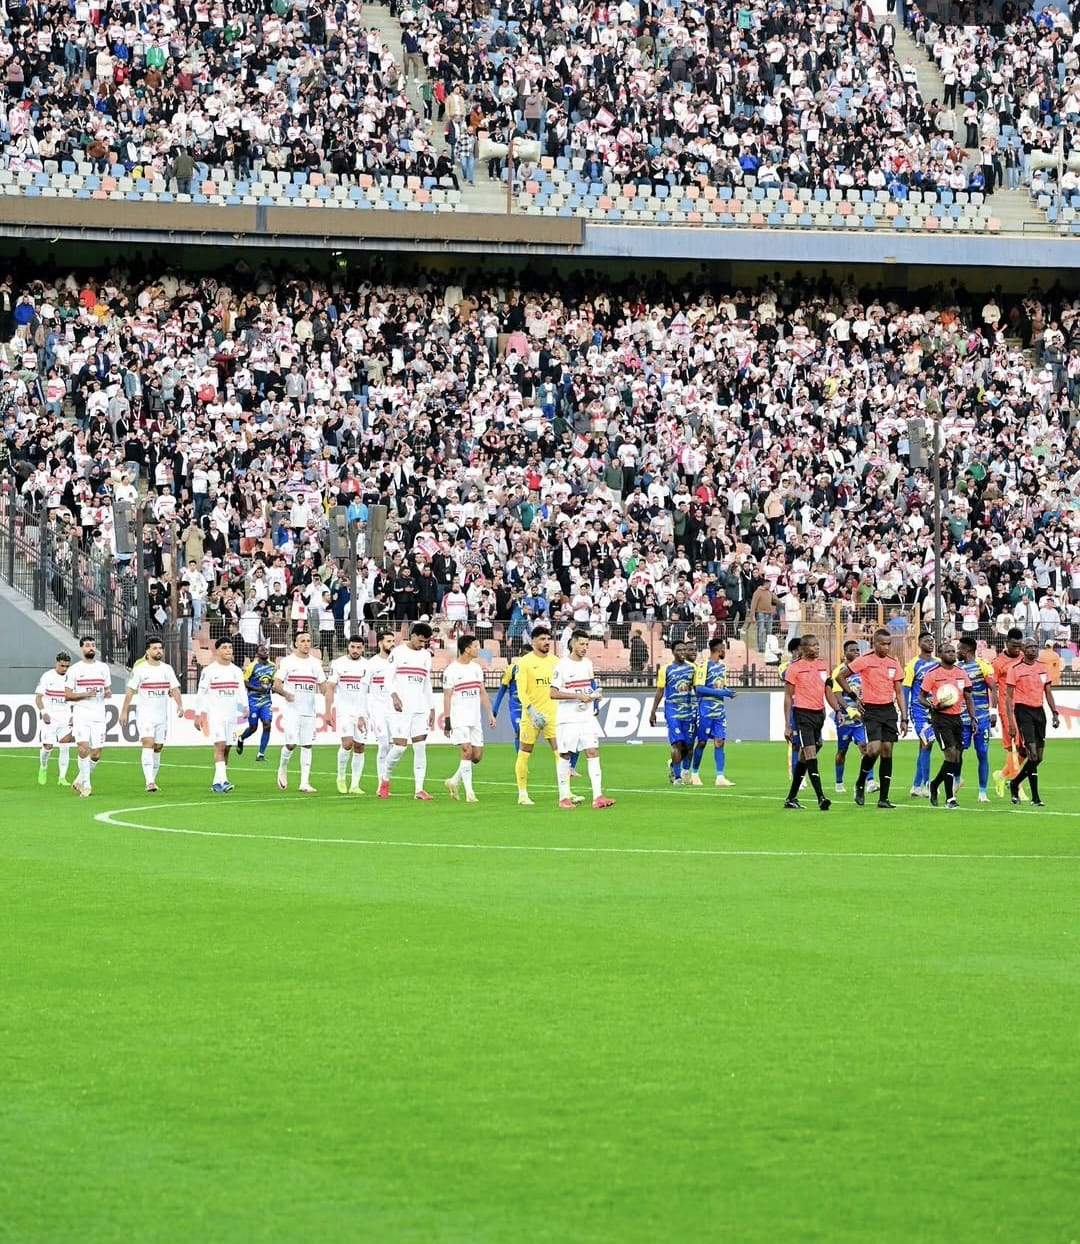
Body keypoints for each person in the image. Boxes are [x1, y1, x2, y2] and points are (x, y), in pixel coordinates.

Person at [835, 628, 908, 808]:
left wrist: (904, 718)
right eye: (883, 644)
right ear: (874, 644)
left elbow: (899, 692)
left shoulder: (893, 663)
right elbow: (840, 677)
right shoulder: (865, 660)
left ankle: (883, 798)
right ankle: (860, 783)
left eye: (889, 644)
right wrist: (854, 697)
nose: (886, 647)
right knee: (874, 749)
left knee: (887, 750)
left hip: (889, 710)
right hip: (871, 710)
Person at [550, 629, 614, 809]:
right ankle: (563, 797)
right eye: (581, 644)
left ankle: (598, 796)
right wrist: (577, 696)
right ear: (572, 644)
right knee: (565, 755)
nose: (585, 647)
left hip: (586, 717)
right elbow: (552, 693)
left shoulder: (587, 663)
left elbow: (589, 686)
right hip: (568, 718)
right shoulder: (562, 666)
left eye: (587, 644)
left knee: (593, 752)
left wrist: (594, 696)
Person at [782, 634, 842, 810]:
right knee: (810, 754)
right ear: (803, 648)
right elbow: (788, 696)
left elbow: (828, 691)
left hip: (819, 715)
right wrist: (787, 724)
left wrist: (837, 709)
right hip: (802, 714)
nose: (817, 648)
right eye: (813, 645)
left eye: (817, 645)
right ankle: (821, 798)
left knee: (808, 754)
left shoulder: (823, 665)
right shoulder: (794, 668)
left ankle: (791, 798)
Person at [119, 637, 184, 793]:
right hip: (145, 715)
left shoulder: (167, 669)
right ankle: (149, 781)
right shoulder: (140, 670)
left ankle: (152, 779)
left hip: (162, 715)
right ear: (147, 651)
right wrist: (124, 711)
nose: (158, 651)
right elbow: (130, 690)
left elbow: (174, 688)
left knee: (158, 746)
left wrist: (180, 705)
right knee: (148, 743)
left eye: (160, 648)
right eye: (155, 648)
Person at [917, 641, 976, 810]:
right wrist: (933, 706)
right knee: (950, 754)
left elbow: (968, 697)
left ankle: (934, 784)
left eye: (953, 651)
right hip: (941, 719)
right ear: (940, 654)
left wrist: (973, 718)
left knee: (956, 757)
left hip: (957, 718)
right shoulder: (932, 674)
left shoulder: (961, 673)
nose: (952, 653)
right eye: (947, 651)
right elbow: (921, 697)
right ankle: (950, 798)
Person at [381, 621, 435, 800]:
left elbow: (427, 683)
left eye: (425, 642)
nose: (423, 644)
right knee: (399, 747)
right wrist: (394, 696)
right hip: (401, 708)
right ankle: (385, 779)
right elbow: (387, 678)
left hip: (419, 707)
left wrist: (432, 707)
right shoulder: (398, 653)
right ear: (412, 636)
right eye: (420, 640)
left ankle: (419, 789)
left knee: (420, 746)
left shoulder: (426, 656)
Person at [514, 625, 567, 807]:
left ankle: (566, 793)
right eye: (542, 639)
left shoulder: (555, 661)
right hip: (531, 715)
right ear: (533, 641)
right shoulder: (524, 662)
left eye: (548, 639)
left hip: (553, 714)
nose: (546, 642)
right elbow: (521, 691)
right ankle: (522, 794)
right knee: (525, 751)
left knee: (561, 752)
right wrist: (531, 710)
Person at [1004, 639, 1061, 807]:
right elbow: (1009, 697)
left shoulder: (1043, 667)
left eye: (1035, 647)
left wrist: (1055, 712)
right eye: (1029, 647)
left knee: (1039, 758)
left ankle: (1014, 783)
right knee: (1032, 755)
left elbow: (1048, 692)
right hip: (1023, 711)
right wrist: (1011, 722)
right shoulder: (1015, 669)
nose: (1033, 650)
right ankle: (1035, 798)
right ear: (1023, 649)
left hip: (1039, 712)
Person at [442, 633, 497, 803]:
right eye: (475, 646)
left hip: (474, 718)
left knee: (476, 756)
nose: (478, 649)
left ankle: (453, 781)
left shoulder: (476, 668)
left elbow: (482, 692)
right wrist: (448, 720)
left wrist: (490, 714)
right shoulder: (451, 670)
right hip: (459, 718)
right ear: (466, 649)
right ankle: (469, 793)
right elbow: (447, 696)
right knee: (466, 751)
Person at [193, 637, 249, 792]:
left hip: (231, 715)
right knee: (220, 745)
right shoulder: (209, 671)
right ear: (217, 651)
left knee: (227, 747)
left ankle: (217, 782)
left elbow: (241, 690)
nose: (228, 650)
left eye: (230, 647)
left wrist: (246, 707)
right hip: (216, 715)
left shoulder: (236, 671)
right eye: (224, 647)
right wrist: (198, 714)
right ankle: (224, 781)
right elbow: (201, 693)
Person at [274, 632, 327, 793]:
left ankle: (304, 782)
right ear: (296, 644)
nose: (306, 644)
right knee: (291, 744)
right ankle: (283, 767)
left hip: (309, 711)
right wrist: (286, 694)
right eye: (302, 641)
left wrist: (328, 691)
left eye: (308, 641)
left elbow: (323, 686)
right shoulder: (288, 662)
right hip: (292, 711)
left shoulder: (315, 663)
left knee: (307, 745)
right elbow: (276, 684)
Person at [64, 635, 112, 799]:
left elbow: (107, 688)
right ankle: (87, 785)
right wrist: (86, 694)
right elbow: (67, 695)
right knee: (83, 748)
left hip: (99, 715)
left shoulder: (103, 668)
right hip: (81, 715)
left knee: (96, 753)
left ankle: (78, 780)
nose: (91, 647)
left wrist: (107, 692)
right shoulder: (74, 670)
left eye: (93, 645)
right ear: (81, 648)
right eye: (87, 645)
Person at [326, 634, 370, 795]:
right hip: (344, 711)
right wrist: (327, 710)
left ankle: (355, 785)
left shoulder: (368, 666)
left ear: (363, 648)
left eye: (358, 647)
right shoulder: (338, 664)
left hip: (362, 712)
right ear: (348, 647)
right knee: (347, 744)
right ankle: (341, 777)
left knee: (359, 746)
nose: (355, 650)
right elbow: (330, 687)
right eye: (352, 647)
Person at [956, 636, 998, 803]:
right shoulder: (957, 667)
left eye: (959, 649)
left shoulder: (983, 665)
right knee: (957, 752)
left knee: (982, 753)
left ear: (966, 650)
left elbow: (993, 687)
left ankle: (982, 792)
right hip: (962, 718)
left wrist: (993, 711)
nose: (957, 651)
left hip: (981, 717)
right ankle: (956, 780)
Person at [690, 637, 736, 787]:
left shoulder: (722, 668)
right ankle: (694, 774)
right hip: (705, 710)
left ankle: (720, 777)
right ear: (719, 650)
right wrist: (722, 693)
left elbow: (720, 687)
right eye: (724, 649)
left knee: (720, 742)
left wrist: (728, 692)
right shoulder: (703, 665)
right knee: (702, 742)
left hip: (719, 711)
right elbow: (699, 688)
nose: (725, 652)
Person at [649, 640, 696, 786]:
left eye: (684, 650)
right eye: (679, 650)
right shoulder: (666, 669)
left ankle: (677, 767)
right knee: (677, 744)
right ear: (673, 652)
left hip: (689, 710)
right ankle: (677, 778)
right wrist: (653, 711)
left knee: (688, 746)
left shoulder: (693, 668)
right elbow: (660, 691)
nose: (682, 652)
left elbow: (697, 688)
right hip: (673, 710)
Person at [831, 639, 875, 794]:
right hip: (845, 718)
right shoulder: (839, 671)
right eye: (853, 650)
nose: (856, 652)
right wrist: (848, 709)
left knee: (864, 747)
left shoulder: (862, 670)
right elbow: (837, 693)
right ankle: (839, 782)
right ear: (845, 653)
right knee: (842, 751)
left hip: (860, 719)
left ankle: (870, 781)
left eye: (857, 650)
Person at [903, 633, 939, 798]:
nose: (930, 643)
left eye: (932, 640)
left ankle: (916, 786)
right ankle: (927, 785)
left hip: (935, 711)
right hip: (919, 711)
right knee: (927, 743)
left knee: (925, 746)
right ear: (919, 644)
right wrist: (904, 716)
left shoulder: (938, 663)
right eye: (926, 641)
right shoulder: (913, 665)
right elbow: (905, 690)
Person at [991, 627, 1026, 797]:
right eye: (1013, 645)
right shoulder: (998, 662)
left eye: (1019, 645)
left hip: (1024, 707)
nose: (1017, 649)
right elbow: (992, 687)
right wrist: (992, 709)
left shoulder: (1024, 658)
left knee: (1025, 749)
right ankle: (1017, 786)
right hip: (1007, 709)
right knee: (1013, 746)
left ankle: (1001, 775)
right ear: (1006, 643)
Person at [35, 651, 73, 787]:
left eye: (67, 666)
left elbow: (76, 698)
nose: (65, 669)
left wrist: (73, 715)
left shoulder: (72, 678)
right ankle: (43, 767)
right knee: (47, 747)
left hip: (65, 717)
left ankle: (62, 777)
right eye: (62, 666)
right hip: (50, 718)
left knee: (65, 747)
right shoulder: (47, 676)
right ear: (56, 663)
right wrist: (43, 712)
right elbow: (38, 698)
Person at [366, 630, 396, 793]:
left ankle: (386, 779)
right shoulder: (372, 664)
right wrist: (363, 711)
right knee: (383, 744)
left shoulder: (396, 663)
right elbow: (364, 687)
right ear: (380, 643)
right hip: (377, 709)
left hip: (394, 710)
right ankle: (381, 784)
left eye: (393, 641)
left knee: (392, 745)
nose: (392, 644)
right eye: (388, 641)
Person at [237, 644, 277, 761]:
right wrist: (257, 689)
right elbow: (244, 682)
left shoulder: (273, 666)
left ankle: (261, 754)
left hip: (266, 701)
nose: (265, 651)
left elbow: (274, 681)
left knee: (267, 725)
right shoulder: (252, 666)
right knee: (253, 727)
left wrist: (274, 687)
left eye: (266, 650)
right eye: (262, 650)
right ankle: (241, 738)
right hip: (253, 701)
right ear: (257, 654)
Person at [491, 655, 522, 751]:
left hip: (531, 707)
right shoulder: (513, 668)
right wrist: (494, 712)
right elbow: (502, 690)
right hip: (516, 707)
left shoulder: (534, 669)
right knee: (519, 730)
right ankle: (520, 759)